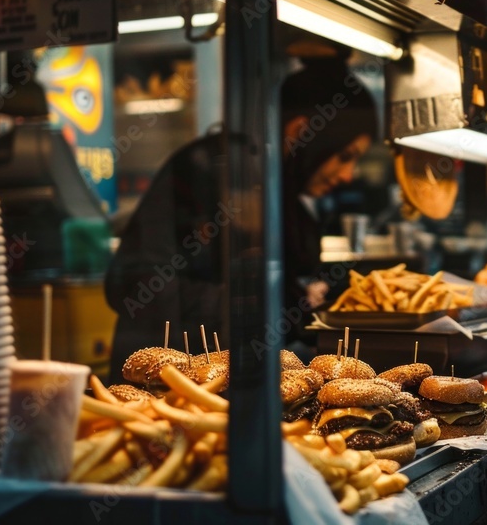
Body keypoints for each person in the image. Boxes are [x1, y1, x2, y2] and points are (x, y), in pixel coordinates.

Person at [104, 50, 377, 381]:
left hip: (238, 380)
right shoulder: (213, 170)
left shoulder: (280, 188)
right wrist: (264, 302)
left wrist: (294, 299)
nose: (349, 175)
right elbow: (135, 285)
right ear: (300, 129)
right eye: (346, 156)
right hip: (166, 384)